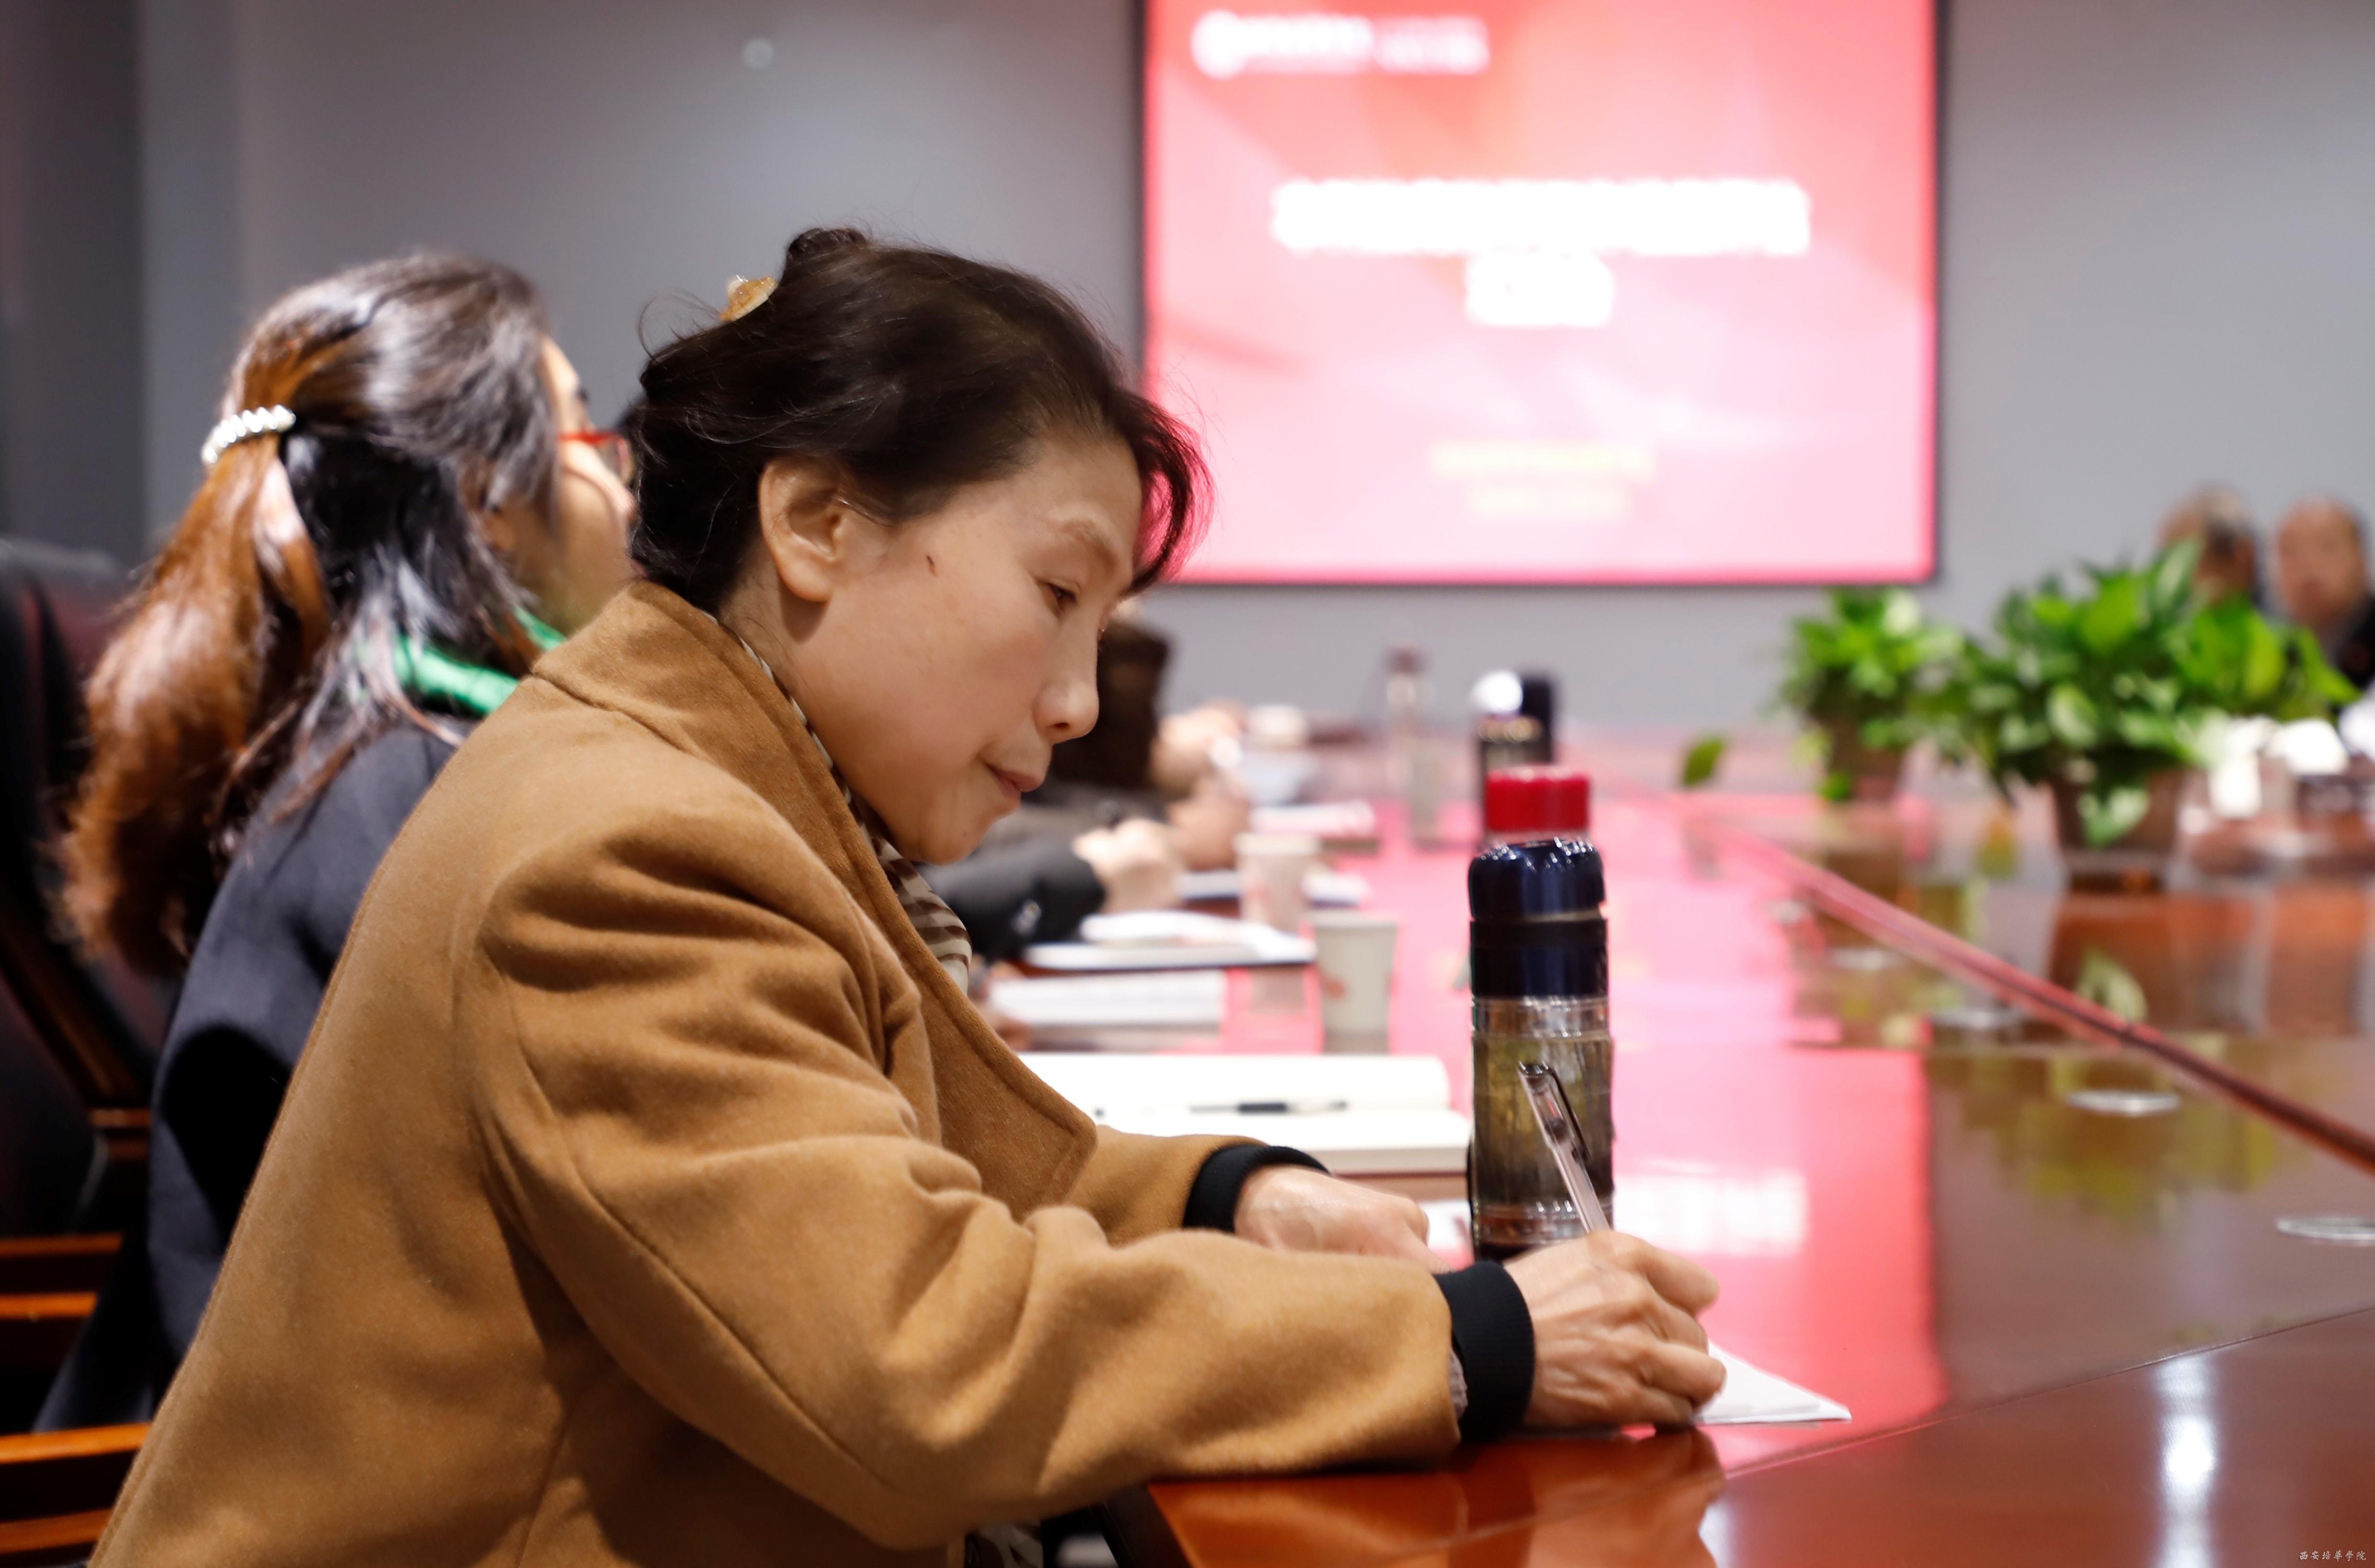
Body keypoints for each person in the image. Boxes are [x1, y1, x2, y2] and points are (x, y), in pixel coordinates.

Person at [90, 231, 1721, 1568]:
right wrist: (1472, 1342)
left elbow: (951, 1163)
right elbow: (919, 1368)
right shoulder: (624, 848)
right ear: (815, 522)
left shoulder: (704, 766)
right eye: (1054, 592)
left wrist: (1231, 1200)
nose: (1075, 701)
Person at [45, 255, 636, 1425]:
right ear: (485, 494)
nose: (622, 489)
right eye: (586, 437)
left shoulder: (386, 764)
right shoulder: (452, 809)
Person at [2274, 495, 2375, 690]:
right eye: (2290, 551)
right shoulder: (2272, 655)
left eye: (2328, 546)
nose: (2308, 564)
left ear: (2362, 559)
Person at [2156, 483, 2261, 606]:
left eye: (2187, 562)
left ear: (2243, 556)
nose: (2171, 581)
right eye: (2165, 563)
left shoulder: (2278, 617)